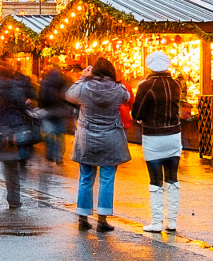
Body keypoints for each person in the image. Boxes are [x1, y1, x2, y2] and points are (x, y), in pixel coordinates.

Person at [65, 57, 132, 233]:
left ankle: (83, 217)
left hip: (86, 139)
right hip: (111, 138)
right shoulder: (118, 90)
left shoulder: (84, 88)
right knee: (107, 178)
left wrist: (82, 77)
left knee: (86, 177)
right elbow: (127, 96)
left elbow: (69, 95)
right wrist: (118, 79)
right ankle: (102, 219)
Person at [133, 50, 184, 234]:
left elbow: (136, 113)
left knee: (155, 180)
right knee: (172, 178)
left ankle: (156, 222)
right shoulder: (176, 84)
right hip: (173, 135)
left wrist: (141, 118)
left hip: (153, 137)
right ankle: (172, 221)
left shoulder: (145, 85)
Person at [0, 58, 38, 207]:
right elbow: (22, 108)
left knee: (8, 165)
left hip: (1, 129)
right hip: (16, 127)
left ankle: (12, 197)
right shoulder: (16, 90)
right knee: (14, 165)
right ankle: (14, 199)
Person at [38, 60, 72, 166]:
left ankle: (50, 154)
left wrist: (42, 108)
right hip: (61, 112)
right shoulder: (65, 81)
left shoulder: (45, 82)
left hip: (48, 112)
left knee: (49, 134)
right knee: (60, 135)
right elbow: (69, 97)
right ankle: (59, 157)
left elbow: (41, 97)